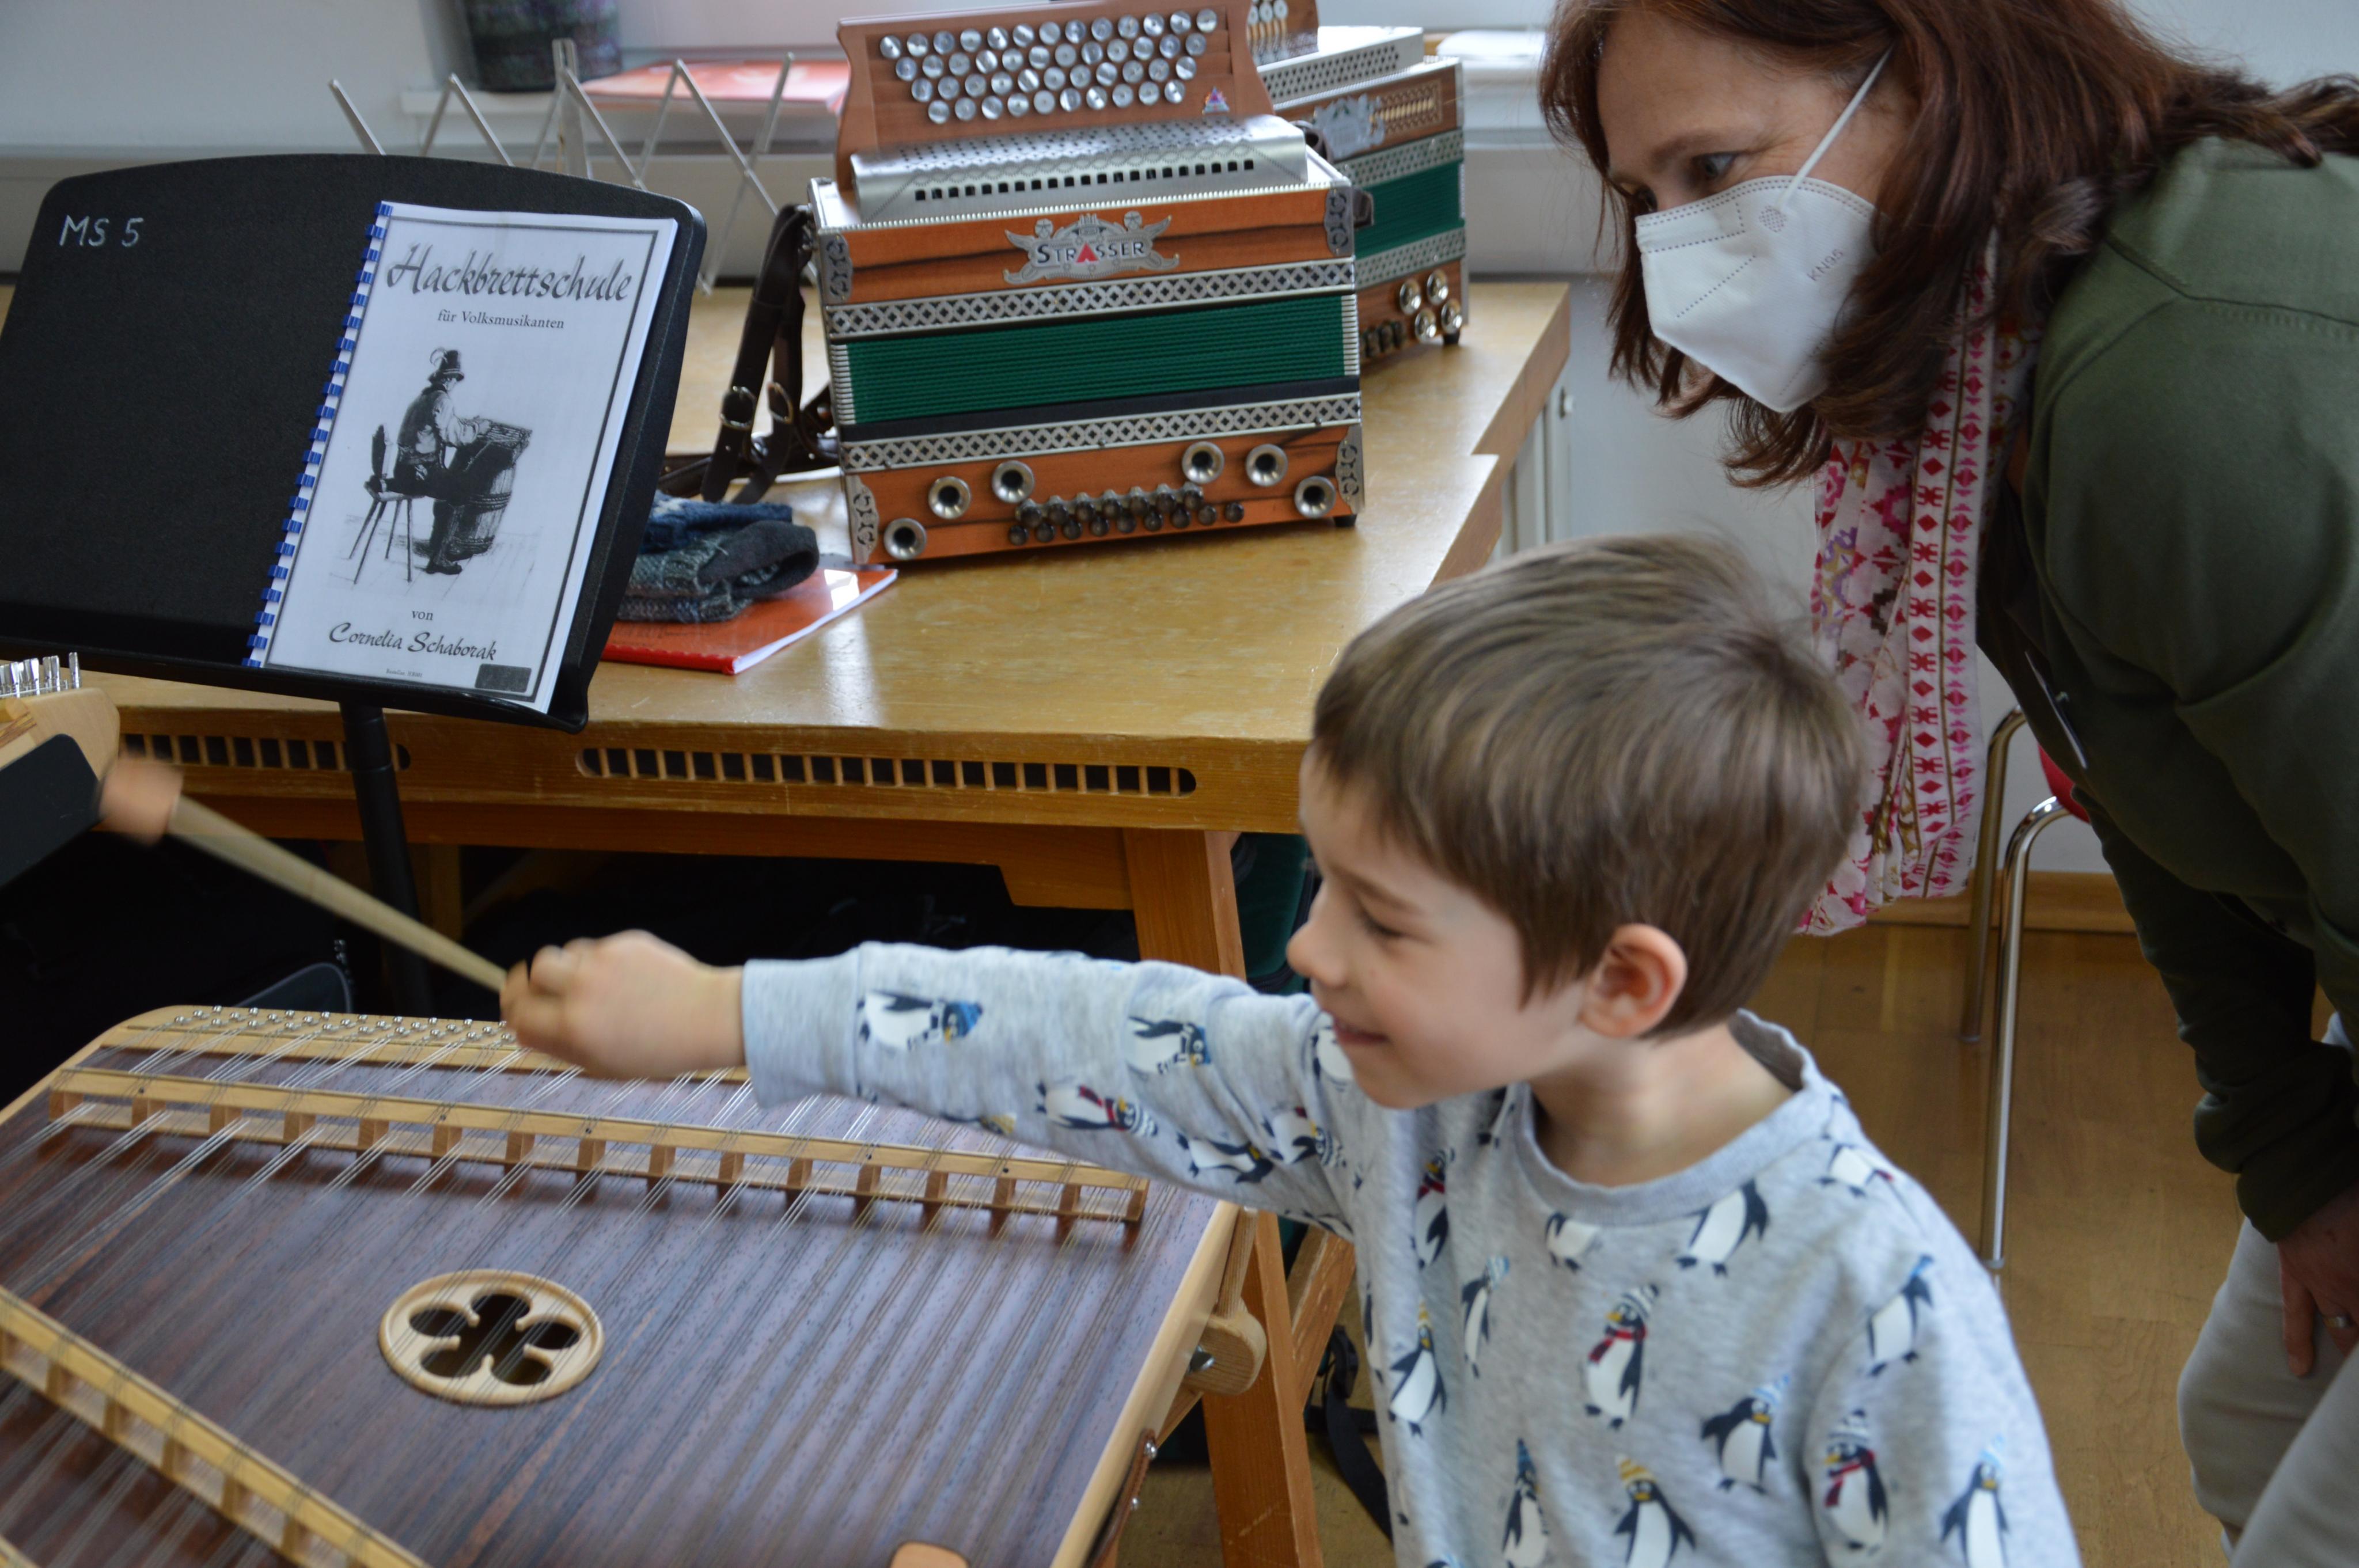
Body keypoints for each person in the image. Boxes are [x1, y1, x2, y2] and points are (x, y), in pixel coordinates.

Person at [506, 536, 2080, 1566]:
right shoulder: (1412, 1105)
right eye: (1322, 883)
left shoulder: (1875, 1302)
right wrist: (727, 1011)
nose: (1309, 949)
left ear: (1619, 982)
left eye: (1380, 919)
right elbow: (1091, 1033)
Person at [1534, 2, 2359, 1560]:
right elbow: (2146, 779)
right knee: (2250, 1419)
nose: (1677, 252)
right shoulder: (2014, 369)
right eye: (1646, 197)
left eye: (1716, 169)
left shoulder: (2185, 385)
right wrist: (2300, 1158)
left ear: (1935, 77)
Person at [393, 348, 485, 576]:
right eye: (454, 378)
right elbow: (455, 437)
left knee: (449, 484)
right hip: (418, 474)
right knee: (462, 490)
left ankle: (439, 543)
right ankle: (439, 558)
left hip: (404, 469)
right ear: (448, 379)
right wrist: (478, 428)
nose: (454, 383)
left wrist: (464, 424)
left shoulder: (423, 398)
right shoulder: (442, 400)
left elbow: (440, 427)